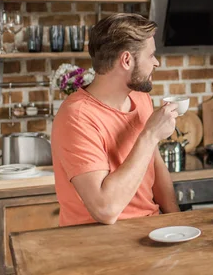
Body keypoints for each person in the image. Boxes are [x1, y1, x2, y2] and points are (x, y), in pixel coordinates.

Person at [51, 13, 180, 226]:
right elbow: (105, 210)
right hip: (98, 244)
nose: (156, 63)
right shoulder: (77, 117)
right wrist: (150, 135)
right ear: (126, 60)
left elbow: (155, 165)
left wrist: (176, 221)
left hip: (150, 230)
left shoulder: (140, 98)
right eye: (151, 55)